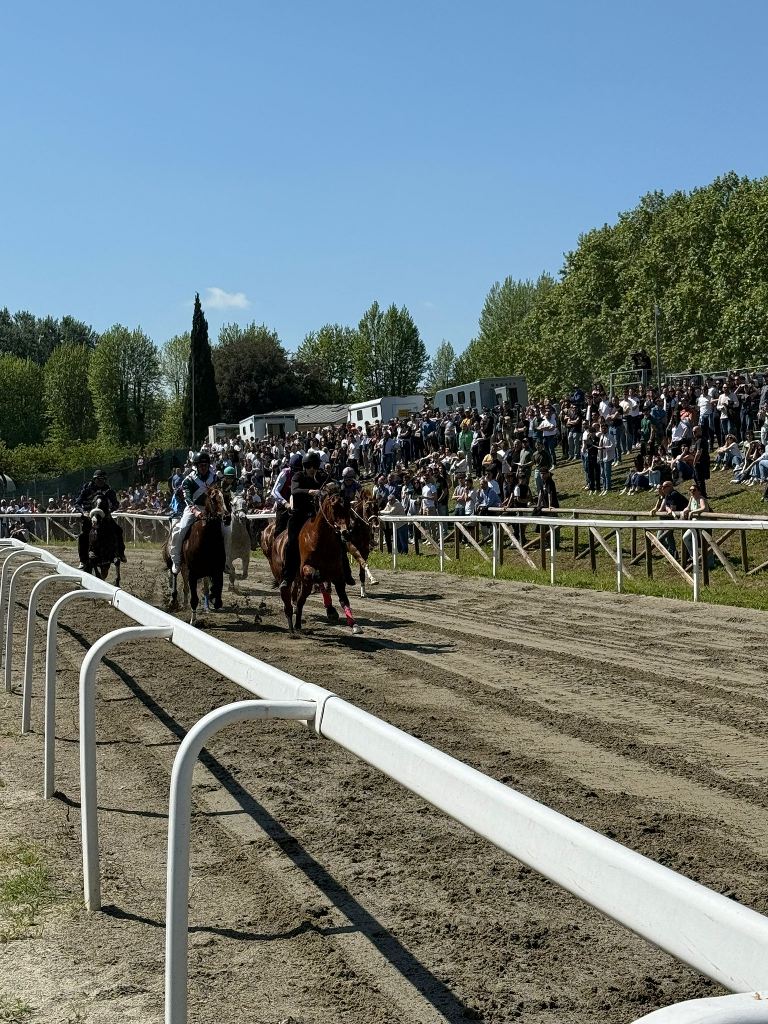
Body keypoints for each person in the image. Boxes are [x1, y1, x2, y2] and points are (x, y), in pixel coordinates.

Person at [168, 452, 218, 575]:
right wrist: (195, 511)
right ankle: (177, 560)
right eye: (201, 465)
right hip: (192, 508)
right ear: (196, 466)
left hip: (210, 509)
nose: (203, 467)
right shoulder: (188, 480)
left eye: (205, 465)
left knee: (226, 530)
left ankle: (225, 561)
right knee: (181, 529)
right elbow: (187, 497)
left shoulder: (215, 478)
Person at [73, 469, 126, 569]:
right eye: (98, 479)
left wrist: (109, 511)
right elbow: (77, 503)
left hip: (104, 516)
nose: (101, 481)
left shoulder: (108, 490)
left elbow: (115, 504)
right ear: (94, 479)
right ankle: (83, 560)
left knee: (118, 530)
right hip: (89, 516)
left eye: (103, 479)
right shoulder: (87, 488)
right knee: (82, 536)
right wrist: (83, 512)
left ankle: (120, 553)